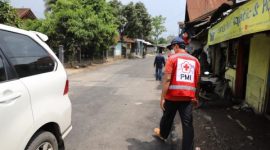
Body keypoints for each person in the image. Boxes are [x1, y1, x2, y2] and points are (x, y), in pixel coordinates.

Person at [154, 36, 200, 150]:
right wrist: (196, 97)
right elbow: (197, 82)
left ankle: (163, 135)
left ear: (176, 46)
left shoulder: (172, 59)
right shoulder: (195, 61)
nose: (173, 50)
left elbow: (167, 80)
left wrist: (162, 98)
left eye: (173, 47)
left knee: (167, 118)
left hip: (172, 98)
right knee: (188, 124)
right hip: (187, 99)